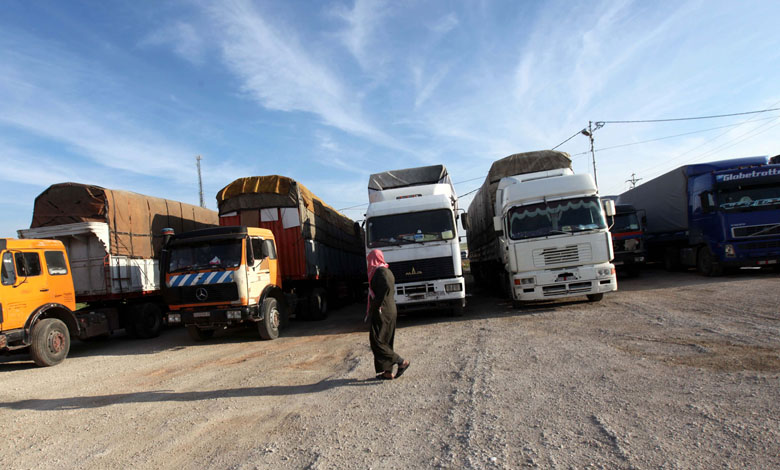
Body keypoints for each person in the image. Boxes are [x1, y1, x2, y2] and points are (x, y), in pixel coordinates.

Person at [366, 249, 410, 380]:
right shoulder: (387, 270)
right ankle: (388, 372)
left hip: (383, 310)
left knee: (376, 341)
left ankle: (401, 362)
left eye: (370, 259)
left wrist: (377, 303)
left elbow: (385, 287)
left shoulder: (380, 272)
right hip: (390, 308)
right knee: (386, 340)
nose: (369, 262)